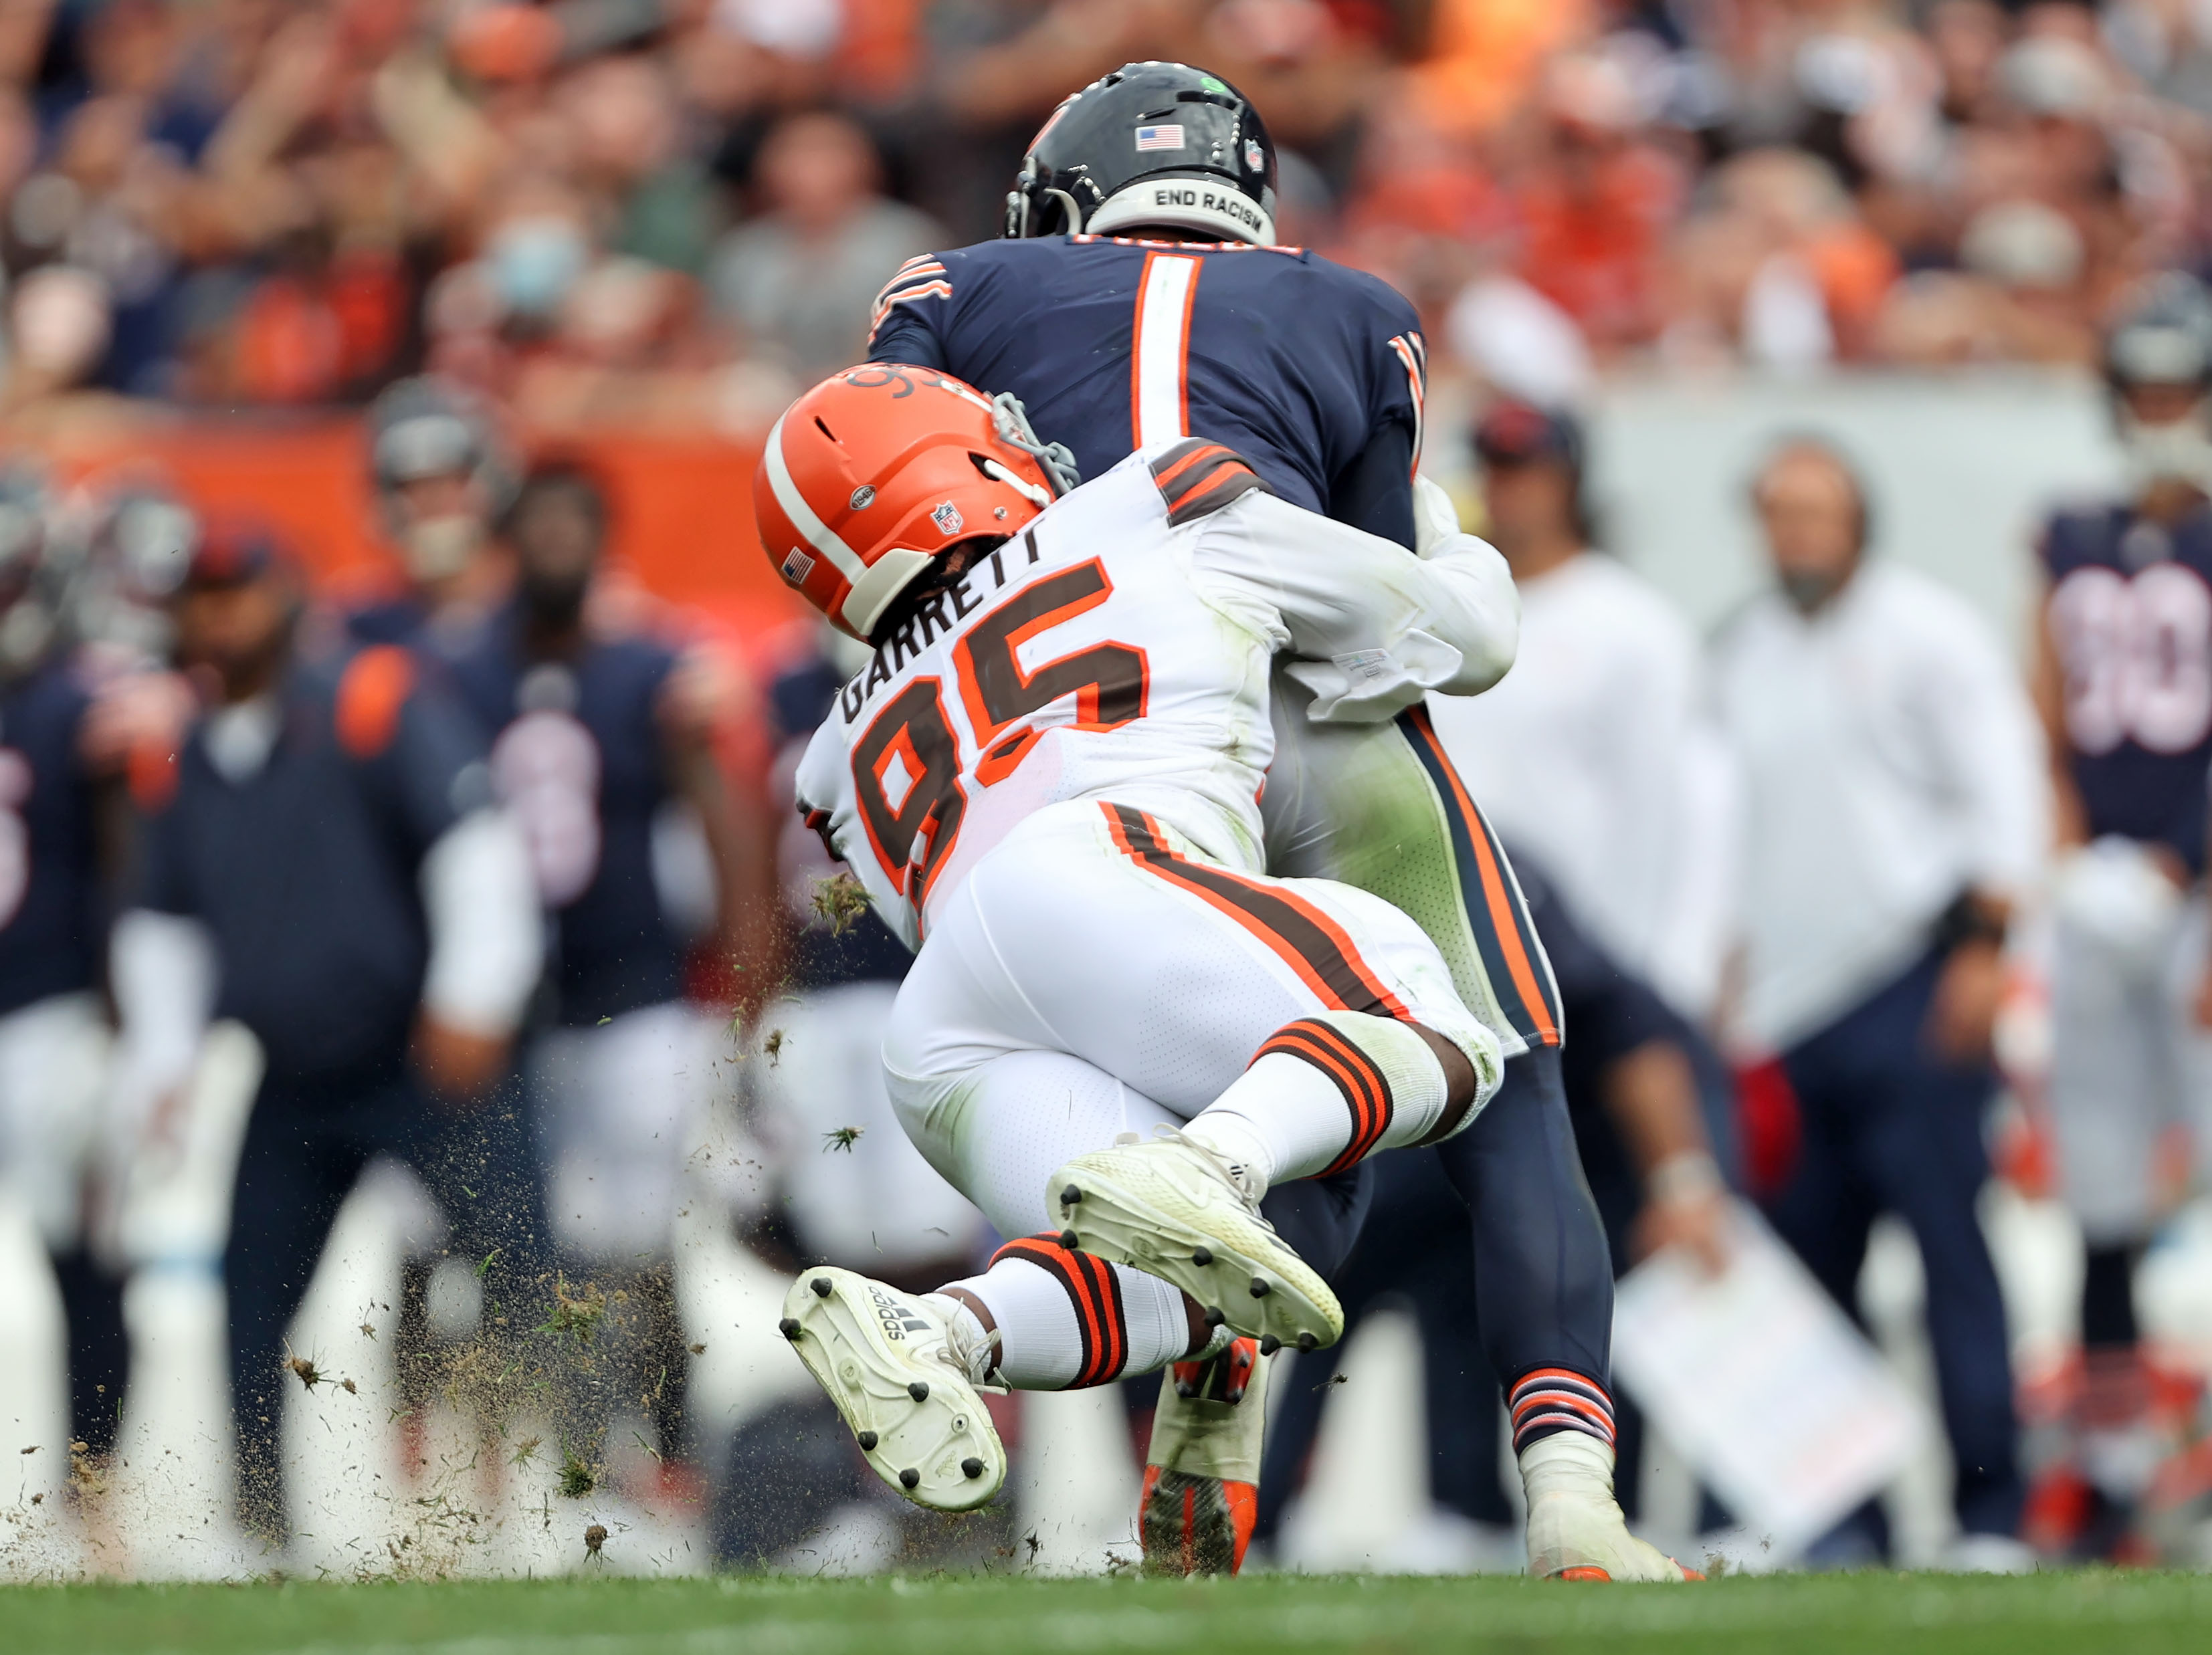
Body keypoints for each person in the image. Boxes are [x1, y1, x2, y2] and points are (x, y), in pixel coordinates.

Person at [866, 62, 1633, 1583]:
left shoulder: (953, 286)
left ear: (1064, 205)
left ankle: (1187, 1409)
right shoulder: (1349, 303)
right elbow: (1380, 613)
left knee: (1243, 1114)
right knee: (1501, 1081)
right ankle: (1572, 1501)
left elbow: (892, 531)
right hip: (1301, 705)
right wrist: (1463, 588)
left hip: (1068, 744)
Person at [766, 365, 1689, 1583]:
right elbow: (1457, 641)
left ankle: (938, 1328)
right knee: (1435, 1019)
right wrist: (1455, 550)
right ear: (960, 465)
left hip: (940, 1030)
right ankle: (1210, 1164)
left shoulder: (835, 750)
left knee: (1185, 1281)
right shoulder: (1145, 502)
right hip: (1099, 869)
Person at [112, 524, 542, 1544]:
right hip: (294, 1070)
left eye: (239, 589)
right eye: (202, 595)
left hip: (417, 1055)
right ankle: (260, 1526)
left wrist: (472, 998)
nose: (220, 613)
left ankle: (544, 1497)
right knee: (250, 1300)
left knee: (520, 1270)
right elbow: (162, 923)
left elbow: (475, 843)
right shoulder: (183, 754)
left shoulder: (370, 699)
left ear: (287, 591)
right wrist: (163, 1064)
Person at [1713, 436, 2048, 1569]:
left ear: (1859, 518)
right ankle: (1840, 1518)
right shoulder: (1741, 650)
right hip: (1784, 1008)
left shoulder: (1925, 634)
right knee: (1810, 1278)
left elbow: (2001, 786)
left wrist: (1987, 951)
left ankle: (1987, 1512)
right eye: (1777, 513)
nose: (1797, 533)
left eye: (1816, 511)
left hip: (1910, 977)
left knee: (1950, 1253)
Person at [1252, 857, 1733, 1567]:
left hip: (1637, 1130)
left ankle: (1650, 1516)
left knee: (1615, 1296)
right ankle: (1460, 1508)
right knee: (1414, 1284)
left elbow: (1634, 1046)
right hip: (1475, 1110)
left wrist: (1681, 1185)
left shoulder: (1467, 878)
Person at [441, 461, 766, 1485]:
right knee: (532, 1243)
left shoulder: (649, 669)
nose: (550, 549)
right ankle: (572, 1454)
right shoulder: (462, 673)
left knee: (640, 1240)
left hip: (636, 992)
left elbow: (715, 819)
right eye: (532, 528)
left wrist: (749, 977)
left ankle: (667, 1446)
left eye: (567, 529)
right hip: (512, 1005)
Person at [2027, 272, 2212, 1558]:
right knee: (2095, 1188)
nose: (2159, 409)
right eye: (2142, 386)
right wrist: (2065, 855)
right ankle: (2105, 1468)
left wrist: (2189, 868)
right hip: (2097, 893)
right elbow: (2039, 703)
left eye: (2179, 386)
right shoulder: (2066, 532)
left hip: (2196, 895)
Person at [1427, 399, 1735, 1022]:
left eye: (1524, 470)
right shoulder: (1447, 612)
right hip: (1464, 963)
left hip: (1597, 966)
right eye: (1493, 469)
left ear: (1567, 482)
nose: (1505, 489)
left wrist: (1675, 972)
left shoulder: (1633, 625)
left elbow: (1684, 806)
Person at [348, 376, 520, 653]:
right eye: (410, 485)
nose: (432, 500)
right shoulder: (360, 622)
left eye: (450, 480)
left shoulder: (543, 612)